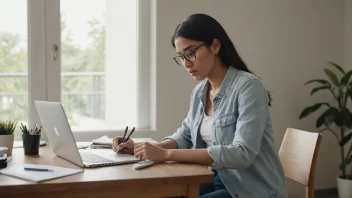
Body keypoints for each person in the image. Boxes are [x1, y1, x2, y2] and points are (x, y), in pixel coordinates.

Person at [113, 13, 288, 198]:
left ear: (215, 45)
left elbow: (242, 153)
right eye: (181, 57)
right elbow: (185, 136)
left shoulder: (249, 87)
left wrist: (165, 154)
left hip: (249, 190)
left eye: (191, 53)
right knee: (156, 193)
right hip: (215, 179)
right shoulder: (200, 92)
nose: (187, 64)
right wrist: (146, 149)